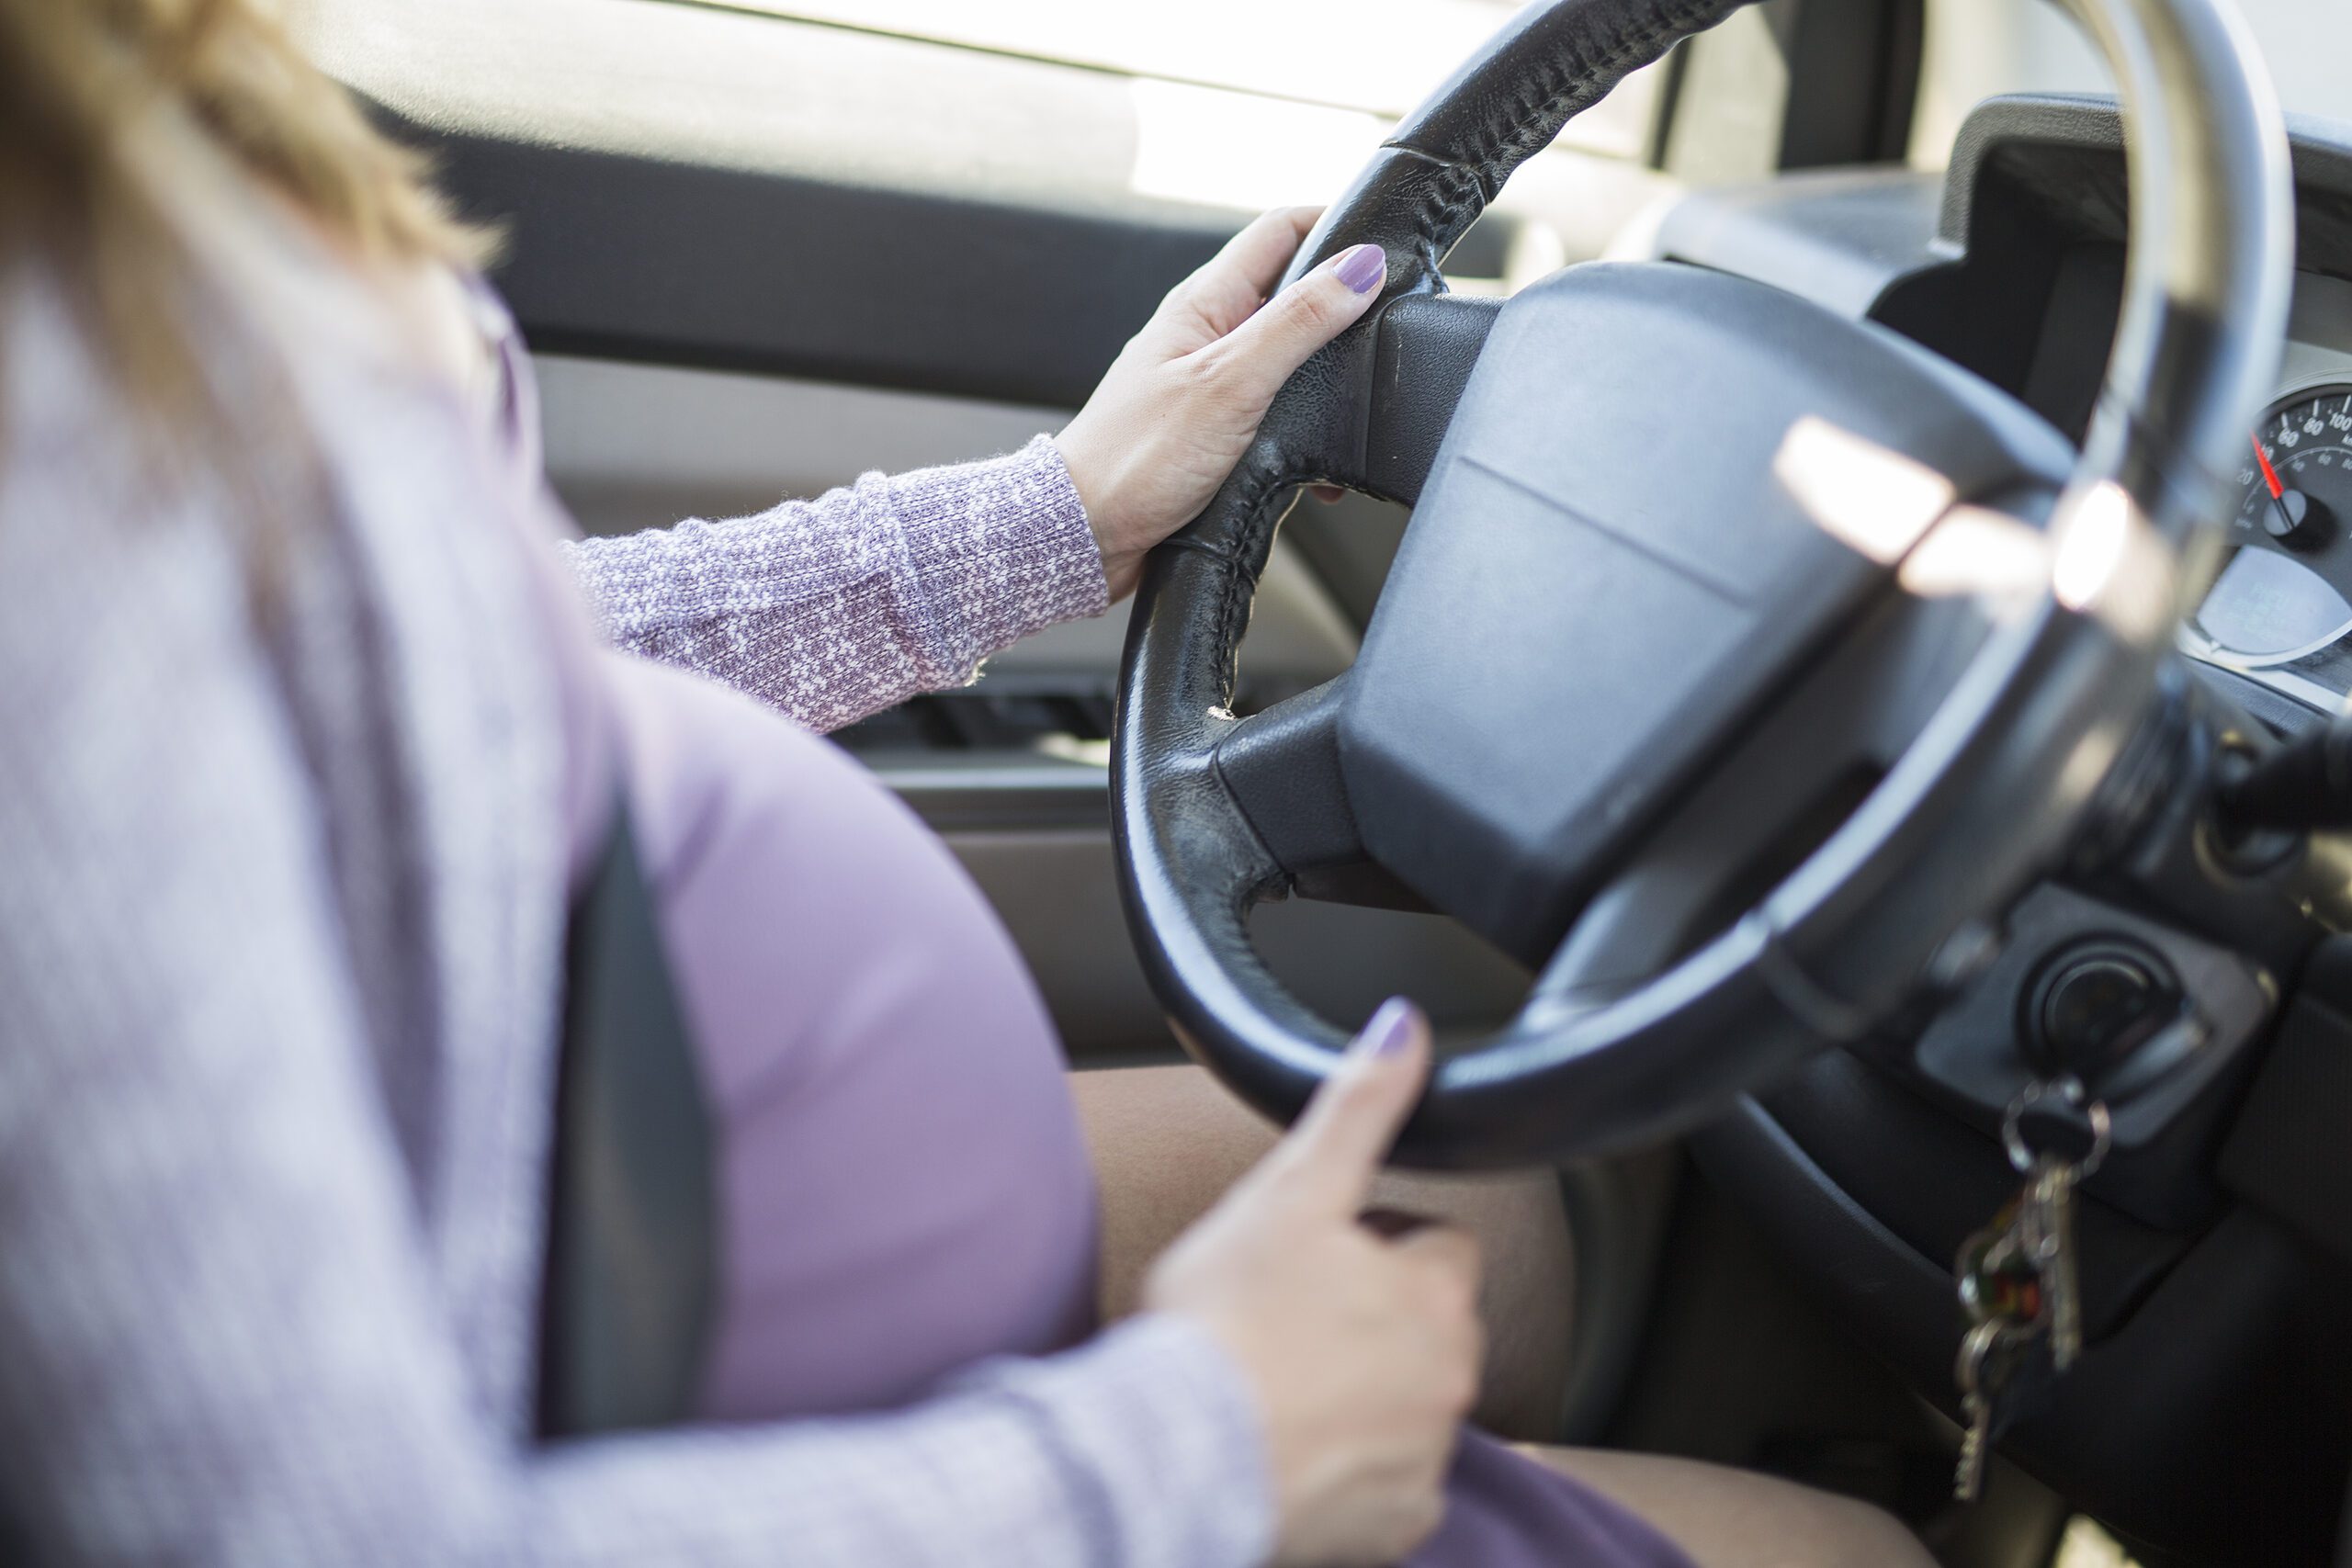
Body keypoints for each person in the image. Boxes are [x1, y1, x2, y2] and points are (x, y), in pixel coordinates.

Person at [0, 2, 1935, 1564]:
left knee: (1477, 1212)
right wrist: (1195, 1449)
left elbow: (433, 661)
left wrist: (1054, 518)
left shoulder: (98, 130)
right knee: (1848, 1550)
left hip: (603, 1183)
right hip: (651, 1394)